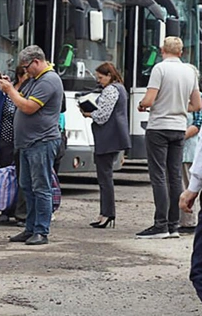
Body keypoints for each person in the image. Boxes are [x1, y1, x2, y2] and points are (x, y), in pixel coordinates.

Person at [136, 36, 202, 239]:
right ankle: (174, 224)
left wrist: (142, 105)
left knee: (158, 176)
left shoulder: (160, 69)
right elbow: (197, 105)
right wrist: (181, 107)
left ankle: (160, 224)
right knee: (174, 176)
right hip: (178, 127)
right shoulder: (190, 71)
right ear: (181, 52)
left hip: (159, 126)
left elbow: (149, 99)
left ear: (162, 49)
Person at [0, 45, 63, 246]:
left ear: (36, 61)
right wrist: (10, 87)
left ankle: (41, 231)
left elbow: (27, 107)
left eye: (27, 67)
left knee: (41, 187)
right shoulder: (35, 79)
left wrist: (10, 91)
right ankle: (30, 227)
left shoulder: (49, 80)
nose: (25, 71)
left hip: (41, 141)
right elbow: (20, 97)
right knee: (27, 186)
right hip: (28, 142)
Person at [82, 62, 130, 229]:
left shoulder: (111, 90)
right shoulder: (121, 88)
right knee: (105, 176)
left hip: (107, 138)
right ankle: (105, 213)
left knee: (104, 177)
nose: (99, 81)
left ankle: (107, 213)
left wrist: (88, 113)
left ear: (109, 76)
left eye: (101, 77)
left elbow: (102, 115)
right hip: (114, 137)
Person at [0, 64, 26, 223]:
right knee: (5, 177)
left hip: (22, 140)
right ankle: (5, 208)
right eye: (23, 75)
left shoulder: (29, 92)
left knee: (22, 178)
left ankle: (19, 210)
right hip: (5, 140)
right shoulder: (6, 92)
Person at [181, 107, 202, 234]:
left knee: (186, 183)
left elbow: (197, 124)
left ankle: (188, 221)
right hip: (183, 150)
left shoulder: (198, 99)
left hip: (189, 149)